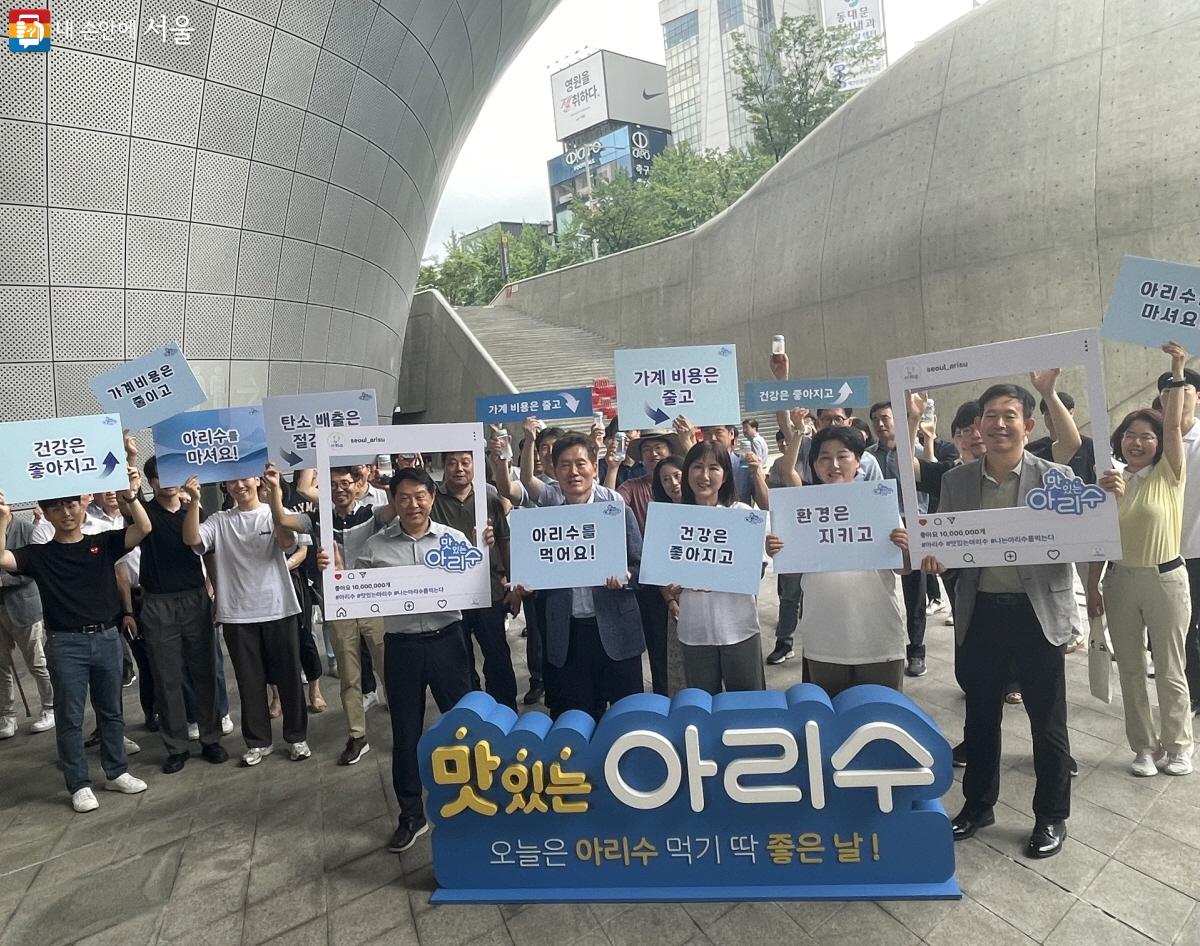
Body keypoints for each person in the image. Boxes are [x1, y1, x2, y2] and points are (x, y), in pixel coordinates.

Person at [923, 372, 1082, 859]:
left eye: (1008, 416)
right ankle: (978, 806)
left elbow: (1079, 539)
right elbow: (951, 551)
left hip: (1038, 615)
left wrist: (1104, 503)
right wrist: (936, 557)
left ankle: (1052, 816)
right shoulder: (956, 481)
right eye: (988, 417)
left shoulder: (1057, 479)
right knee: (981, 717)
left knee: (1047, 723)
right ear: (977, 427)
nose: (997, 425)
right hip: (983, 614)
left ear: (1027, 424)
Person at [338, 467, 489, 854]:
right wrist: (331, 572)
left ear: (432, 498)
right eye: (404, 497)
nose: (413, 504)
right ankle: (411, 815)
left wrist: (485, 552)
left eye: (420, 496)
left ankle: (475, 804)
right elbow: (351, 591)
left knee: (463, 725)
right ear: (393, 502)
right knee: (405, 734)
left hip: (448, 641)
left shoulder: (455, 541)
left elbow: (476, 585)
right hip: (401, 646)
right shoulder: (374, 548)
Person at [0, 433, 151, 812]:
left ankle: (116, 772)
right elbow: (2, 559)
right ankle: (79, 783)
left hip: (106, 637)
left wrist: (131, 494)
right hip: (65, 643)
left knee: (112, 710)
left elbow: (144, 530)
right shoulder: (39, 554)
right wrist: (3, 519)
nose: (66, 512)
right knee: (69, 716)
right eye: (57, 507)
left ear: (83, 505)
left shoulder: (104, 542)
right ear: (47, 513)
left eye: (71, 503)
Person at [1088, 343, 1193, 777]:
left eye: (1146, 436)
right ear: (1120, 441)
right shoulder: (1111, 482)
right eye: (1130, 435)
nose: (1138, 442)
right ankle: (1144, 748)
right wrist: (1093, 586)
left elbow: (1172, 424)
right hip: (1120, 582)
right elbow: (1095, 540)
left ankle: (1179, 745)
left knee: (1169, 668)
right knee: (1131, 669)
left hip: (1166, 579)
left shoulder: (1171, 473)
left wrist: (1177, 369)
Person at [183, 468, 310, 766]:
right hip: (238, 613)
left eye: (245, 478)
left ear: (257, 480)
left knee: (290, 677)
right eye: (232, 480)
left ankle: (297, 737)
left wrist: (277, 493)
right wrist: (193, 502)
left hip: (279, 607)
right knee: (249, 681)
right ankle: (258, 742)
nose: (239, 485)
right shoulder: (220, 520)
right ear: (226, 485)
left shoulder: (274, 513)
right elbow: (192, 540)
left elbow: (285, 542)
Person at [776, 426, 911, 694]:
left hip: (877, 637)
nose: (833, 465)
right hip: (824, 639)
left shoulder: (877, 504)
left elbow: (903, 569)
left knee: (881, 721)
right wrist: (776, 548)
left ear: (859, 461)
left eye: (843, 456)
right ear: (814, 464)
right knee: (830, 724)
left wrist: (905, 548)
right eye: (824, 457)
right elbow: (790, 563)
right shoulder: (801, 509)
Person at [520, 432, 646, 720]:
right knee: (576, 721)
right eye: (564, 465)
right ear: (554, 469)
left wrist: (625, 576)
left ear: (594, 466)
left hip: (616, 630)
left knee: (628, 719)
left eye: (580, 463)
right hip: (568, 635)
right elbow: (537, 578)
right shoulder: (542, 521)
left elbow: (641, 569)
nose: (573, 472)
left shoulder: (616, 512)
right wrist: (525, 585)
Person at [130, 456, 229, 773]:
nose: (166, 481)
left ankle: (211, 739)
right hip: (157, 602)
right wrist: (128, 456)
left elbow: (210, 555)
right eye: (158, 476)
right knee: (166, 676)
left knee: (205, 671)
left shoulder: (196, 510)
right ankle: (176, 747)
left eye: (172, 473)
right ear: (152, 482)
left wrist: (216, 594)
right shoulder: (144, 513)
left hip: (194, 598)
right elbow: (126, 500)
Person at [661, 441, 780, 694]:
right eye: (697, 467)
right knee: (703, 705)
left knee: (748, 703)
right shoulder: (672, 520)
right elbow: (666, 575)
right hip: (694, 629)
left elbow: (755, 571)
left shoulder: (742, 515)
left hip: (738, 627)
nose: (704, 476)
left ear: (725, 476)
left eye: (713, 468)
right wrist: (672, 588)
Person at [432, 450, 518, 710]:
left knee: (497, 653)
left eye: (465, 462)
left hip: (488, 590)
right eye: (452, 462)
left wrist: (513, 585)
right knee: (460, 657)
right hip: (450, 593)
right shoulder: (433, 500)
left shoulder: (489, 498)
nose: (459, 468)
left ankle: (505, 708)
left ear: (475, 466)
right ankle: (473, 710)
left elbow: (504, 541)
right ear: (444, 466)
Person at [867, 401, 932, 678]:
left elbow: (930, 483)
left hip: (910, 524)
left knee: (915, 589)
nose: (880, 424)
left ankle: (916, 650)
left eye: (885, 418)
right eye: (875, 420)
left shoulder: (916, 453)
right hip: (877, 527)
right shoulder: (866, 457)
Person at [619, 430, 683, 697]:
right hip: (652, 582)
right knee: (660, 648)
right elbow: (609, 507)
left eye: (659, 447)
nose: (654, 453)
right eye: (647, 449)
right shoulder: (633, 486)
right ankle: (663, 700)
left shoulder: (690, 492)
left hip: (694, 583)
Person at [1161, 364, 1200, 715]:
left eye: (1183, 389)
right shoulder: (1151, 442)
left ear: (1198, 396)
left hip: (1199, 551)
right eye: (1167, 392)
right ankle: (1187, 692)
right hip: (1165, 554)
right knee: (1178, 632)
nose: (1175, 396)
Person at [0, 508, 55, 738]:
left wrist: (4, 579)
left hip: (23, 606)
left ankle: (50, 708)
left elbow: (37, 568)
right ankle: (7, 715)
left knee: (36, 662)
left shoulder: (25, 530)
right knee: (1, 666)